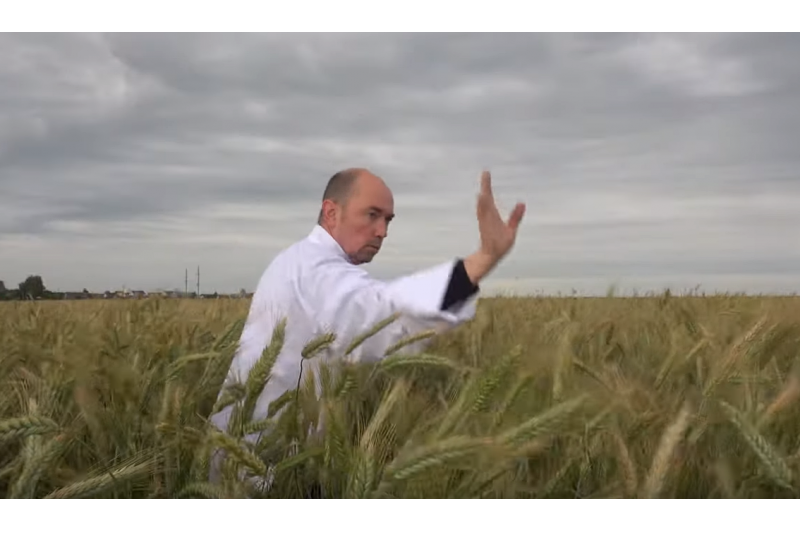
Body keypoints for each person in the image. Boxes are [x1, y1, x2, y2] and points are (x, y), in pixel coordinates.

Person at [208, 168, 525, 481]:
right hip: (256, 471)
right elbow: (383, 315)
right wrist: (482, 260)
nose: (382, 231)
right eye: (372, 215)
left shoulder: (298, 259)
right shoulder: (315, 270)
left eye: (388, 220)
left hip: (258, 458)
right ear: (331, 212)